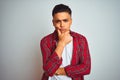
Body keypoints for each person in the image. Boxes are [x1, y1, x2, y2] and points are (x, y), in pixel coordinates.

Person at [40, 4, 91, 80]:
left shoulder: (81, 40)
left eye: (65, 20)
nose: (62, 25)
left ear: (71, 21)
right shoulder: (45, 41)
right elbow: (48, 71)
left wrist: (59, 71)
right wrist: (61, 43)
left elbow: (86, 68)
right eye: (58, 21)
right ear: (53, 22)